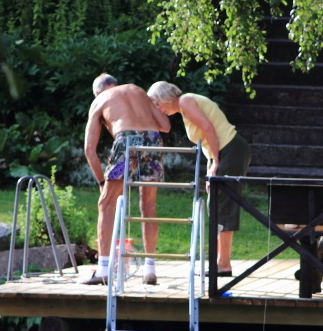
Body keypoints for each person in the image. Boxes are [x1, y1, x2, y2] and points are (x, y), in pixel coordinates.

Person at [147, 81, 251, 277]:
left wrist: (215, 162)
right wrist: (212, 162)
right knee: (217, 204)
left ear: (164, 98)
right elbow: (207, 135)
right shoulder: (185, 107)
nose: (158, 109)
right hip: (226, 151)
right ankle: (220, 262)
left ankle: (223, 264)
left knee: (222, 204)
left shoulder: (186, 101)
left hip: (230, 150)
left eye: (157, 104)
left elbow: (209, 129)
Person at [83, 73, 171, 285]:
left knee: (106, 203)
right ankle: (149, 269)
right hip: (153, 139)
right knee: (148, 205)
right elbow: (165, 125)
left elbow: (89, 150)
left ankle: (103, 269)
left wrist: (102, 183)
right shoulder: (137, 90)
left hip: (126, 139)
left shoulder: (99, 100)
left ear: (98, 91)